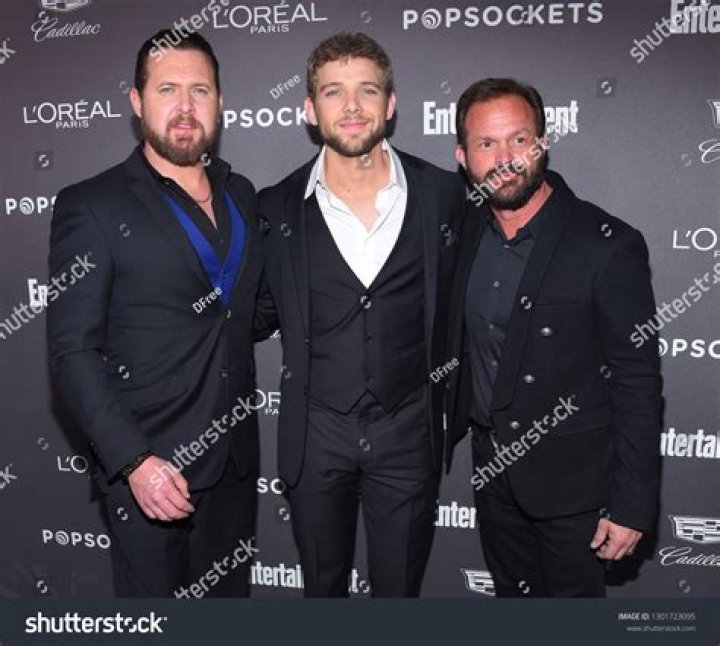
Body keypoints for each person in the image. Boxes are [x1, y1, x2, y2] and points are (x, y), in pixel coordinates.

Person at [47, 30, 267, 597]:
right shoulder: (92, 205)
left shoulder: (242, 195)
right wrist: (135, 461)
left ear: (220, 102)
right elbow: (73, 352)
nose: (186, 106)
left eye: (200, 90)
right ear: (137, 101)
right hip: (153, 470)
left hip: (235, 464)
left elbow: (242, 312)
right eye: (168, 89)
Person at [258, 32, 464, 597]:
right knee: (321, 592)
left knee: (398, 593)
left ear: (390, 104)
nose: (351, 106)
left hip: (409, 430)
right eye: (333, 92)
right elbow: (249, 311)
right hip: (314, 435)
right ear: (310, 109)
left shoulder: (445, 195)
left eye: (367, 90)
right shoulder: (275, 207)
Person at [445, 78, 663, 597]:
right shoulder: (460, 232)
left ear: (542, 142)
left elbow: (636, 380)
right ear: (463, 156)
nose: (505, 158)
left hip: (575, 488)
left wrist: (632, 503)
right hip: (493, 475)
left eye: (519, 140)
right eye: (486, 143)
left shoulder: (605, 244)